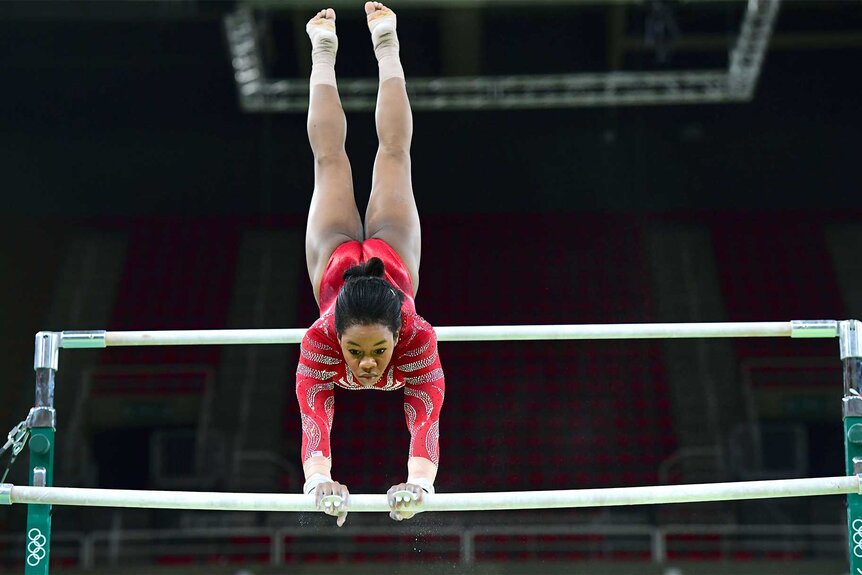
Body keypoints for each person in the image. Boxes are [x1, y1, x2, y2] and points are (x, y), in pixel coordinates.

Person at [296, 2, 445, 527]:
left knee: (374, 156)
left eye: (376, 351)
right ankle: (339, 50)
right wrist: (318, 477)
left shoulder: (417, 336)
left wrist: (419, 480)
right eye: (355, 352)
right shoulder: (318, 340)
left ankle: (379, 46)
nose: (364, 366)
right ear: (332, 336)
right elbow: (313, 417)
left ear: (399, 331)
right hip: (394, 257)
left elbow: (427, 416)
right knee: (365, 158)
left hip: (334, 258)